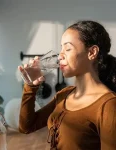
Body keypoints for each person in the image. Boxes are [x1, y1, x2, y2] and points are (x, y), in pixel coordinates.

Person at [18, 20, 116, 150]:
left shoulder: (108, 105)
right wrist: (30, 86)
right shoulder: (64, 95)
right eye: (61, 48)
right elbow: (26, 126)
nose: (60, 56)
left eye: (68, 48)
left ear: (92, 52)